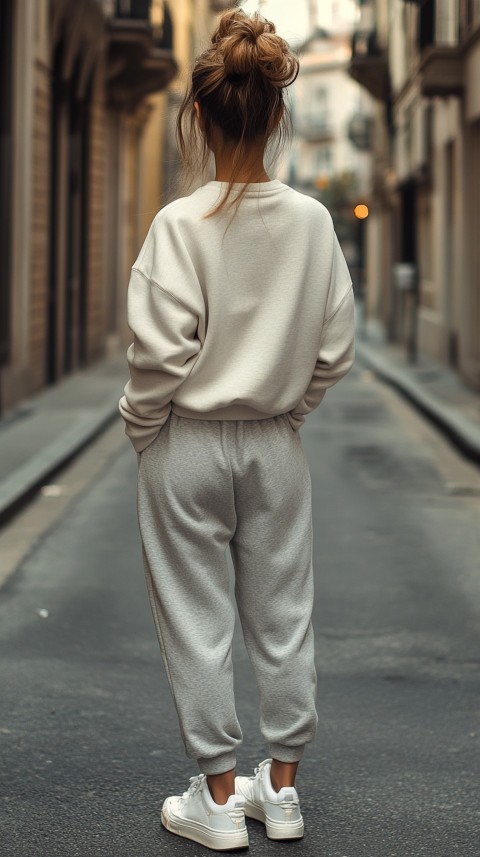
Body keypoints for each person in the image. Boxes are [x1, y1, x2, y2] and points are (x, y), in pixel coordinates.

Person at [119, 7, 355, 852]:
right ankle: (280, 790)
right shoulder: (312, 223)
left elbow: (156, 356)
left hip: (184, 439)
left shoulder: (180, 224)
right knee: (283, 612)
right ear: (278, 114)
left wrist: (142, 428)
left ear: (200, 117)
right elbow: (335, 346)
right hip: (275, 446)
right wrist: (287, 412)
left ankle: (218, 797)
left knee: (195, 617)